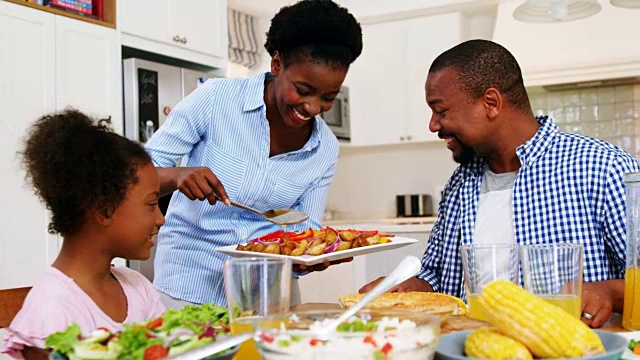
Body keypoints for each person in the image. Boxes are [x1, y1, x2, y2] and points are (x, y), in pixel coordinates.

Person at [359, 39, 639, 328]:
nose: (433, 125)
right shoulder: (461, 183)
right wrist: (411, 287)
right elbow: (438, 275)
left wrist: (608, 291)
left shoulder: (603, 168)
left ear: (490, 103)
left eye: (441, 111)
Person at [144, 0, 363, 307]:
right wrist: (177, 175)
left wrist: (312, 255)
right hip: (187, 287)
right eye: (302, 90)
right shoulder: (216, 100)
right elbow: (139, 173)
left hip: (269, 294)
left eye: (328, 97)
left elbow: (304, 225)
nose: (313, 108)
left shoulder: (325, 147)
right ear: (276, 64)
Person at [2, 110, 166, 359]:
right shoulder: (51, 312)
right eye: (152, 204)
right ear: (105, 209)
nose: (160, 219)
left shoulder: (137, 287)